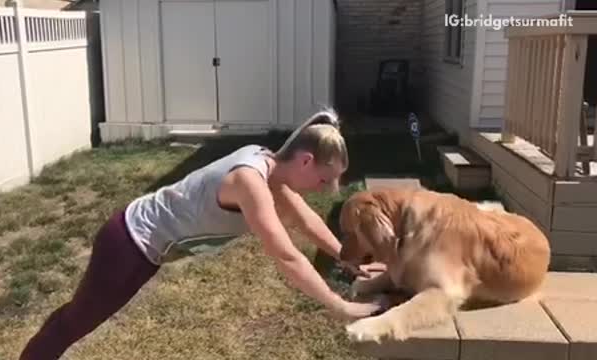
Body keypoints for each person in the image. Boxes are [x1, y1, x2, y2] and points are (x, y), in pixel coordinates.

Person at [19, 108, 384, 360]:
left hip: (145, 251)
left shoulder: (271, 169)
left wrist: (347, 259)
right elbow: (287, 255)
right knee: (77, 320)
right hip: (126, 242)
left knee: (78, 317)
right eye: (323, 179)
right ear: (305, 161)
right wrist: (341, 307)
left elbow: (306, 221)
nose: (323, 189)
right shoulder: (250, 181)